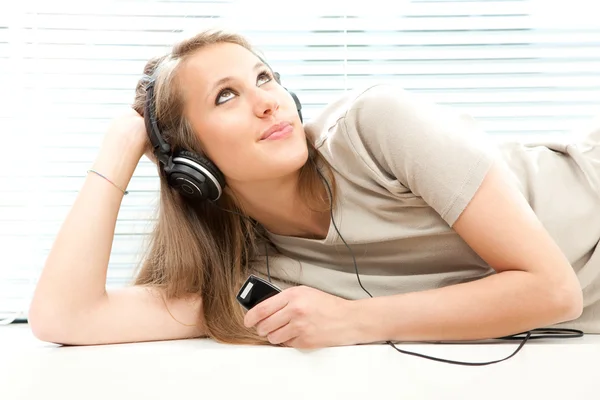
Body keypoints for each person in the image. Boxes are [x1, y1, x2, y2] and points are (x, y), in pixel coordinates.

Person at [28, 28, 600, 349]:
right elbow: (66, 318)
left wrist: (353, 321)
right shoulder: (252, 271)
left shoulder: (376, 125)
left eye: (264, 77)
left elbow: (553, 291)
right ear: (189, 166)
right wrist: (123, 146)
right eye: (226, 96)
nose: (267, 100)